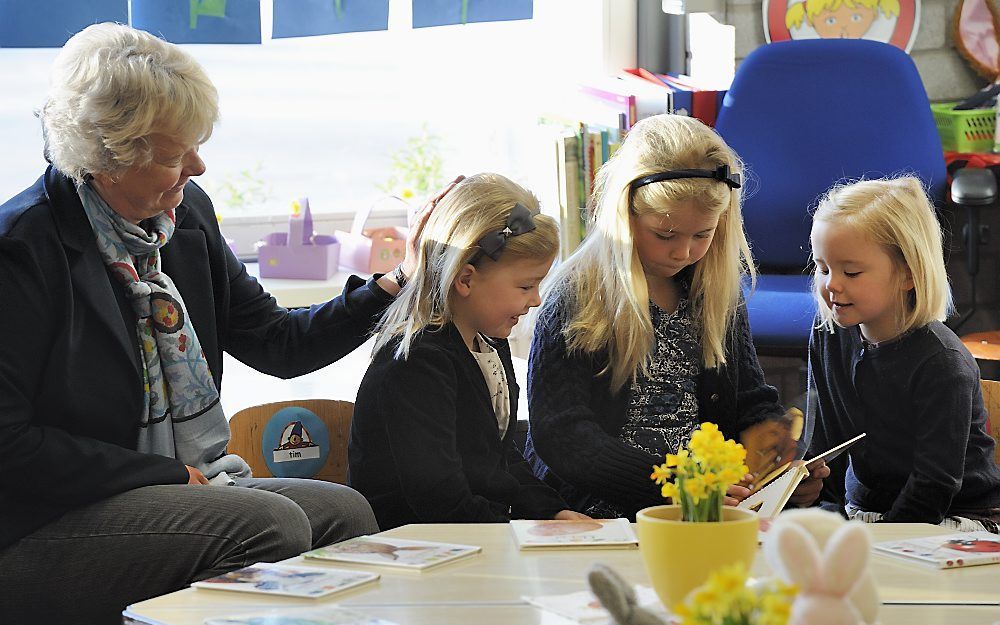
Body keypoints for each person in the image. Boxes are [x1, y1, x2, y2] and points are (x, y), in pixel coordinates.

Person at [0, 23, 445, 624]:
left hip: (159, 489)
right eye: (174, 153)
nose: (199, 166)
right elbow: (9, 445)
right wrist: (162, 473)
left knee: (345, 514)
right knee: (272, 524)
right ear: (108, 157)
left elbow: (279, 344)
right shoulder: (22, 250)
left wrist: (395, 284)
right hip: (42, 522)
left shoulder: (184, 220)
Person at [525, 114, 827, 520]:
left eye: (703, 234)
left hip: (704, 504)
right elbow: (563, 436)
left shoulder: (715, 293)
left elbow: (749, 400)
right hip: (598, 509)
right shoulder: (577, 298)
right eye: (665, 235)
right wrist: (676, 485)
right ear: (626, 214)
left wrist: (781, 470)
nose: (683, 252)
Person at [349, 173, 588, 529]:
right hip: (418, 548)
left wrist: (551, 512)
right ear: (465, 279)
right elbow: (438, 498)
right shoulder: (418, 362)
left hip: (475, 533)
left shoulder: (489, 343)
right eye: (526, 286)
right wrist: (518, 533)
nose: (536, 300)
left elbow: (500, 458)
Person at [805, 176, 1000, 530]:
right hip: (868, 512)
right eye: (823, 268)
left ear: (908, 274)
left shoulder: (942, 362)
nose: (831, 284)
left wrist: (875, 542)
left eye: (851, 271)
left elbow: (935, 485)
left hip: (955, 516)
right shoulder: (828, 333)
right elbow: (826, 444)